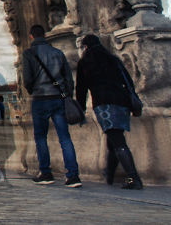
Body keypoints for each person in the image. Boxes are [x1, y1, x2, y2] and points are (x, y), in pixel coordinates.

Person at [76, 34, 143, 190]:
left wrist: (80, 109)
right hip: (122, 103)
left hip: (104, 103)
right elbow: (128, 81)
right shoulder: (113, 59)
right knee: (114, 136)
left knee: (117, 140)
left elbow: (81, 89)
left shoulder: (85, 62)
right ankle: (110, 174)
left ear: (85, 47)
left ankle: (134, 178)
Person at [21, 24, 81, 187]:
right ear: (45, 36)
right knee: (65, 138)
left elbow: (27, 79)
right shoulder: (58, 53)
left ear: (31, 36)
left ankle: (46, 173)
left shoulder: (29, 53)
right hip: (58, 98)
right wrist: (66, 94)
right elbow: (68, 78)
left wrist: (34, 90)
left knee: (41, 137)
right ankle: (73, 176)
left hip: (40, 99)